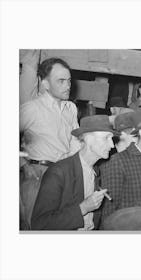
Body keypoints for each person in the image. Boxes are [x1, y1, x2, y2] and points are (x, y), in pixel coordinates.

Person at [20, 57, 81, 228]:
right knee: (35, 228)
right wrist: (23, 163)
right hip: (38, 174)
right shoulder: (33, 108)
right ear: (45, 84)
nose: (68, 85)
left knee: (60, 227)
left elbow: (75, 141)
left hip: (64, 174)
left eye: (69, 80)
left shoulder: (70, 108)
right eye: (61, 81)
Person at [31, 115, 119, 230]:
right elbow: (39, 224)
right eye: (106, 138)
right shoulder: (59, 172)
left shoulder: (96, 171)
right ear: (88, 139)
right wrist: (83, 208)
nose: (112, 145)